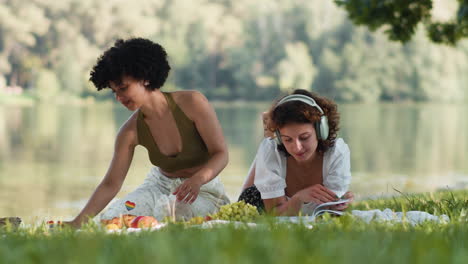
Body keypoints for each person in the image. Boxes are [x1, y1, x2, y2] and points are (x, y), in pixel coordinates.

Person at [68, 38, 230, 227]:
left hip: (203, 189)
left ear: (145, 77)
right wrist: (76, 223)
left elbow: (221, 154)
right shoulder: (129, 132)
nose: (119, 97)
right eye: (114, 91)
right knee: (113, 217)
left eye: (123, 88)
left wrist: (197, 180)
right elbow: (111, 184)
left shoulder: (193, 103)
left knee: (171, 212)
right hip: (158, 186)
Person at [238, 89, 353, 215]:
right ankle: (269, 135)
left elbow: (328, 213)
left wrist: (339, 204)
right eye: (288, 140)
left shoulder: (337, 153)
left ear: (321, 131)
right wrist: (299, 198)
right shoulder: (272, 152)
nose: (297, 148)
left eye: (304, 137)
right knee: (267, 148)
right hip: (257, 205)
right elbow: (274, 216)